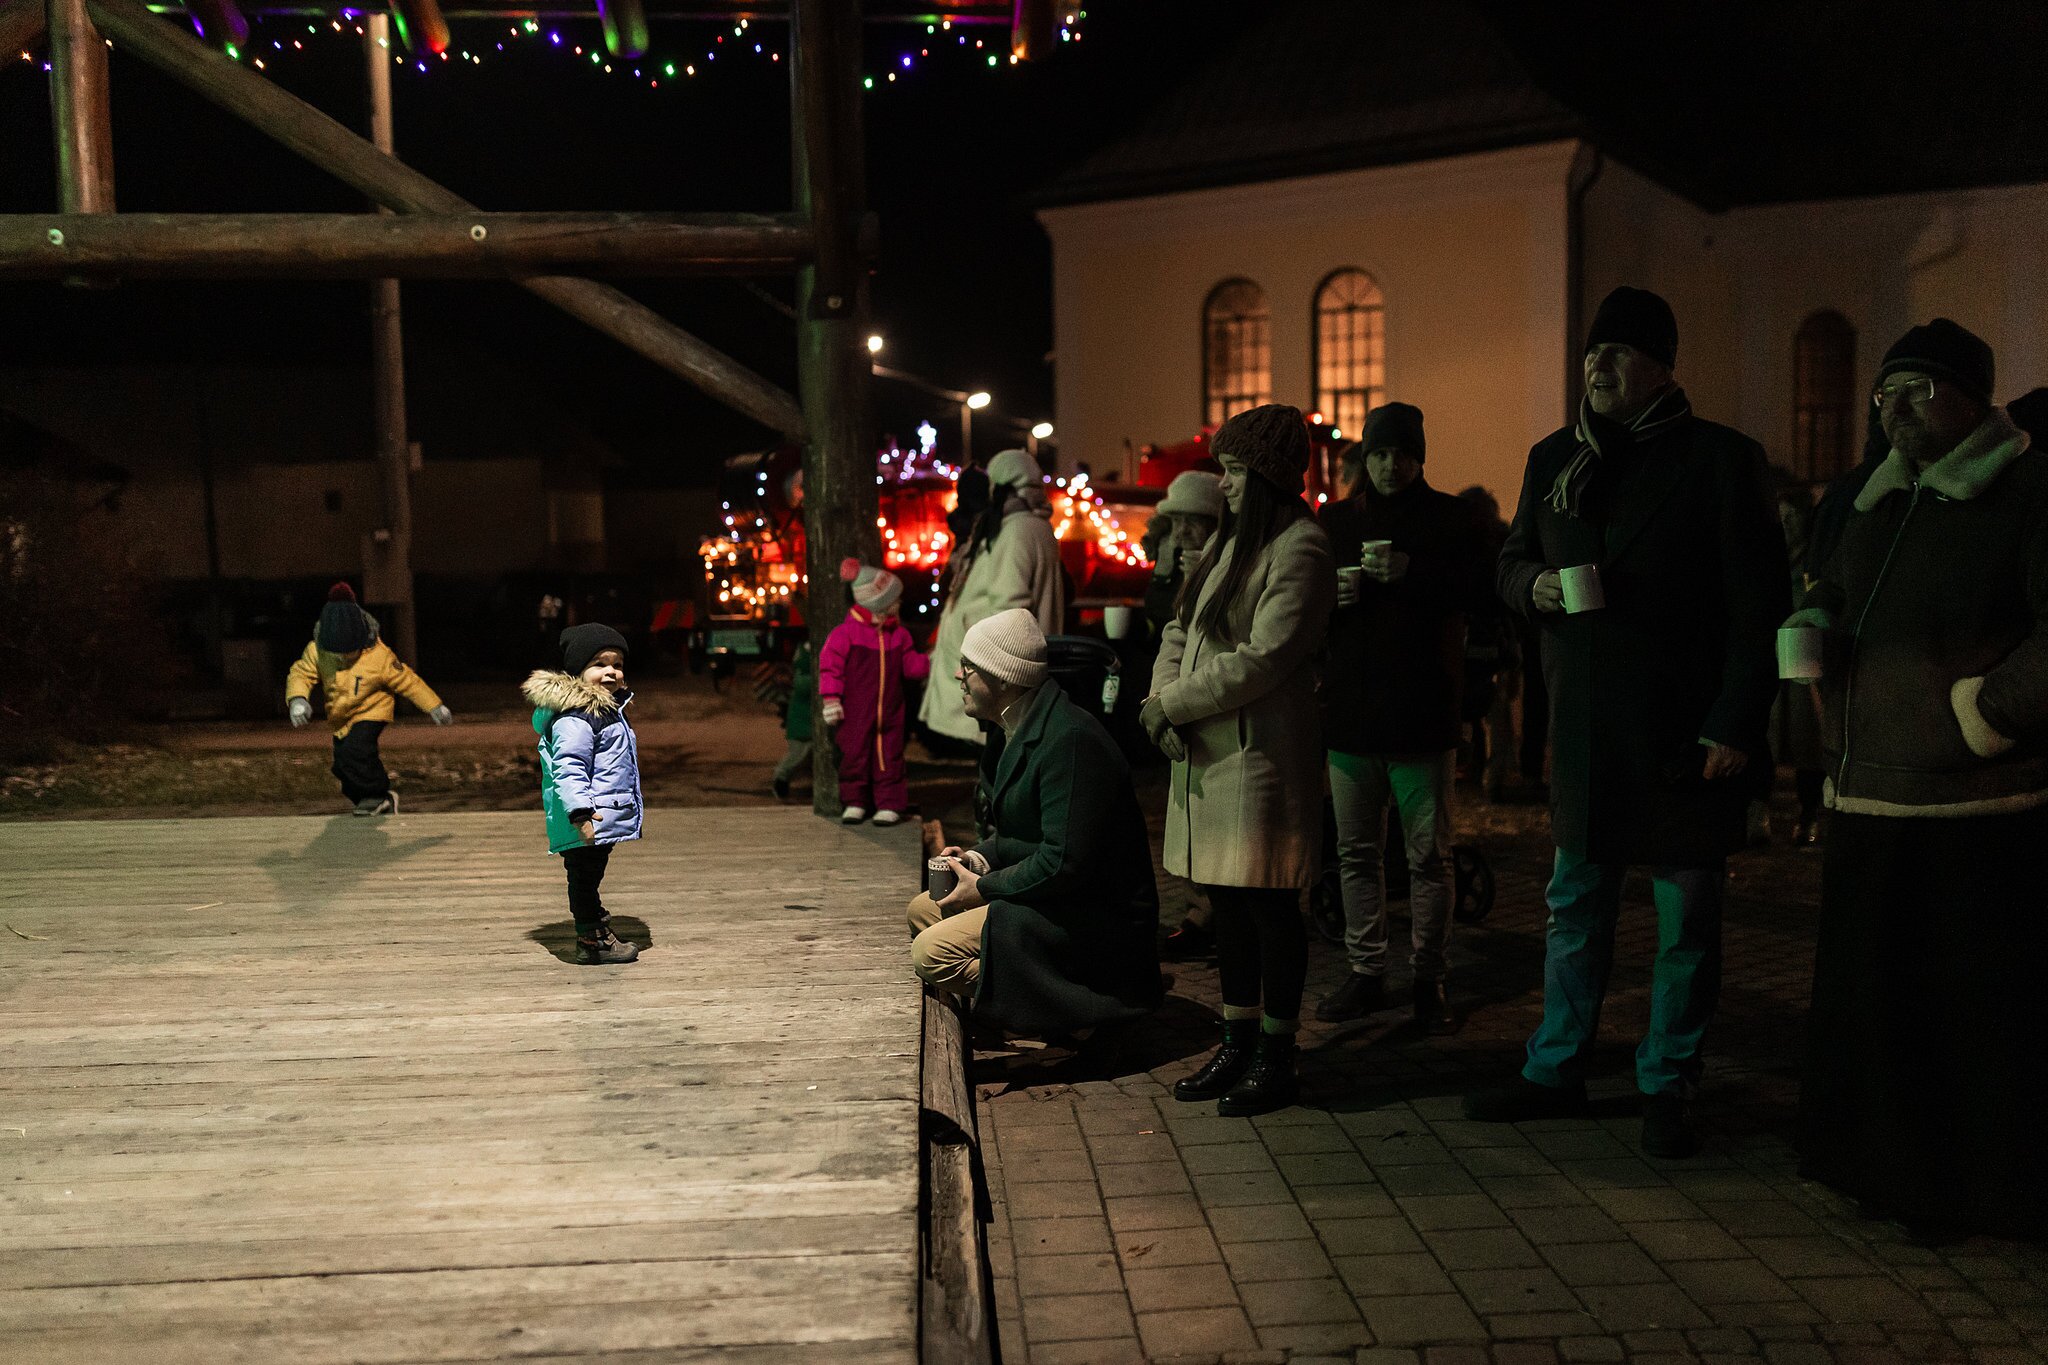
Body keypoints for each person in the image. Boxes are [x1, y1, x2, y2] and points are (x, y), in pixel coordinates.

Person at [1464, 286, 1787, 1158]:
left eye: (1619, 352)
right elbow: (1512, 560)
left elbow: (1759, 606)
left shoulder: (1721, 460)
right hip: (1587, 727)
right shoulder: (1556, 457)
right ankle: (1555, 1067)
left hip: (1683, 733)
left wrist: (1734, 722)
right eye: (1591, 351)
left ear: (1661, 367)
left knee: (1686, 921)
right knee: (1576, 907)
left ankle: (1668, 1081)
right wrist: (1532, 585)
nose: (1598, 365)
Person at [1794, 320, 2048, 1238]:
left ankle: (1963, 1189)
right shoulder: (1879, 494)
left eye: (1917, 389)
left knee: (1959, 1013)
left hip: (1970, 808)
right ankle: (1879, 1170)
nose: (1894, 407)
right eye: (1885, 392)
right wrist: (1814, 621)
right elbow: (1840, 588)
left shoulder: (2028, 492)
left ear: (1972, 399)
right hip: (1868, 793)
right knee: (1877, 1004)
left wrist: (1986, 716)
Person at [1144, 403, 1335, 1117]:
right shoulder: (1232, 542)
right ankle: (1238, 1039)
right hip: (1211, 754)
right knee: (1226, 902)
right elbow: (1181, 627)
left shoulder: (1300, 548)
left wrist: (1175, 704)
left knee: (1269, 904)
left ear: (1265, 476)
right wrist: (1160, 699)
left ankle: (1276, 1054)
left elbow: (1265, 658)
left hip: (1258, 760)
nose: (1220, 483)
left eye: (1231, 470)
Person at [1315, 404, 1490, 1034]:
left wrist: (1414, 572)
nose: (1391, 465)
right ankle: (1366, 971)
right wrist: (1329, 597)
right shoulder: (1336, 522)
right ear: (1366, 457)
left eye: (1402, 454)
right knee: (1356, 852)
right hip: (1352, 713)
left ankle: (1428, 977)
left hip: (1422, 713)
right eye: (1381, 453)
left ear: (1420, 457)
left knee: (1428, 856)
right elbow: (1302, 605)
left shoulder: (1451, 519)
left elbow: (1483, 592)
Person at [907, 609, 1162, 1036]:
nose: (957, 675)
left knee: (931, 953)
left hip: (1090, 912)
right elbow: (1018, 834)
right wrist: (976, 860)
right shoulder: (1010, 728)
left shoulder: (1071, 741)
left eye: (968, 666)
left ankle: (1077, 1013)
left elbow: (1063, 863)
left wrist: (983, 888)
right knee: (924, 910)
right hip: (1055, 894)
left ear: (1004, 678)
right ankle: (1011, 1003)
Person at [921, 448, 1066, 745]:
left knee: (988, 750)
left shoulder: (1016, 530)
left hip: (991, 668)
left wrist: (980, 652)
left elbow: (1009, 606)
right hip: (998, 665)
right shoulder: (1035, 527)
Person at [1143, 471, 1227, 962]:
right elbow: (1166, 621)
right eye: (1176, 522)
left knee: (1216, 821)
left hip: (1213, 700)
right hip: (1177, 695)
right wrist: (1164, 573)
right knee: (1191, 816)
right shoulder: (1176, 557)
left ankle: (1212, 918)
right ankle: (1201, 913)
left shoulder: (1229, 559)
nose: (1183, 532)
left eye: (1192, 521)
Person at [523, 623, 644, 966]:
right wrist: (580, 813)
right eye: (599, 664)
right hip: (586, 816)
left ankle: (592, 921)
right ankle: (592, 939)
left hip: (596, 813)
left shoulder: (604, 711)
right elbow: (569, 767)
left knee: (589, 873)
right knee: (583, 876)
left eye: (617, 664)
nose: (611, 671)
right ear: (578, 672)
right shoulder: (577, 718)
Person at [285, 581, 450, 815]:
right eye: (336, 653)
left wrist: (434, 706)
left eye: (349, 651)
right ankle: (370, 799)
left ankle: (376, 795)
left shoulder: (379, 656)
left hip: (373, 709)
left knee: (358, 750)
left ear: (361, 640)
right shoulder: (317, 651)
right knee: (342, 764)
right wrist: (298, 699)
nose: (343, 657)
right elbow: (301, 673)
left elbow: (408, 681)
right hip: (342, 716)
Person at [821, 559, 931, 826]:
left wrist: (931, 662)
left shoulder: (899, 635)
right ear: (878, 601)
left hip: (890, 714)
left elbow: (910, 666)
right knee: (854, 755)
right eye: (894, 598)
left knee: (889, 757)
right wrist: (831, 699)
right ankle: (855, 801)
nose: (899, 602)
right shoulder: (845, 634)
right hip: (855, 714)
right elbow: (830, 668)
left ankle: (889, 803)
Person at [1456, 484, 1524, 802]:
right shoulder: (1499, 546)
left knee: (1467, 708)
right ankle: (1494, 776)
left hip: (1465, 640)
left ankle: (1470, 767)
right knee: (1496, 712)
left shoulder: (1456, 549)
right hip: (1493, 641)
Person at [771, 637, 816, 802]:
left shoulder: (802, 667)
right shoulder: (804, 675)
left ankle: (782, 781)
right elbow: (804, 686)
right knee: (798, 754)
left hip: (805, 721)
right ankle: (780, 780)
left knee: (803, 754)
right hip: (803, 722)